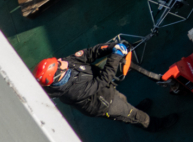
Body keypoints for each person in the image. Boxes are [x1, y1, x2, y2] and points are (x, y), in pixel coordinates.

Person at [34, 43, 179, 132]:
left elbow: (90, 53)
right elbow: (103, 80)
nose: (60, 60)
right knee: (131, 115)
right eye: (58, 63)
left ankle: (135, 109)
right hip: (104, 105)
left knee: (122, 99)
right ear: (59, 74)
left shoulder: (66, 64)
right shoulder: (72, 92)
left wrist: (111, 47)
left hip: (106, 92)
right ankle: (155, 125)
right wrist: (115, 57)